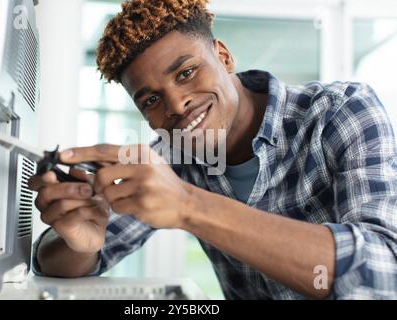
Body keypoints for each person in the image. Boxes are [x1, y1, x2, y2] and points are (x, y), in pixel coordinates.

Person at [28, 0, 397, 299]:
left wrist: (190, 206)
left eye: (186, 73)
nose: (176, 105)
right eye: (152, 99)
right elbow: (54, 263)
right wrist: (79, 241)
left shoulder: (340, 111)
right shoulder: (171, 160)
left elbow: (384, 274)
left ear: (223, 57)